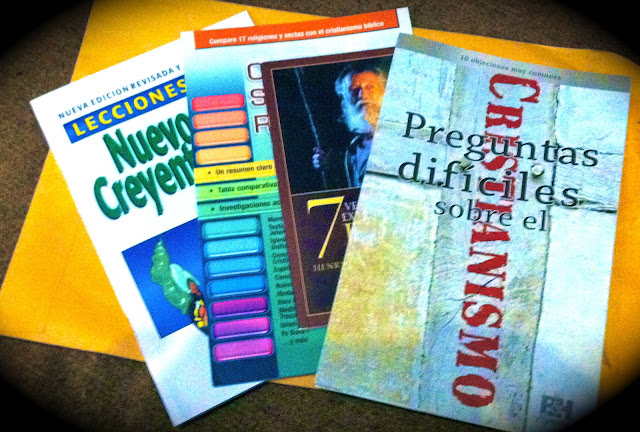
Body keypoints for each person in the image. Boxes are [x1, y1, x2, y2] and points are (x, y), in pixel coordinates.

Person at [312, 62, 388, 188]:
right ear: (344, 101)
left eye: (370, 87)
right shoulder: (352, 149)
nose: (363, 95)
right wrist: (327, 164)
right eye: (354, 90)